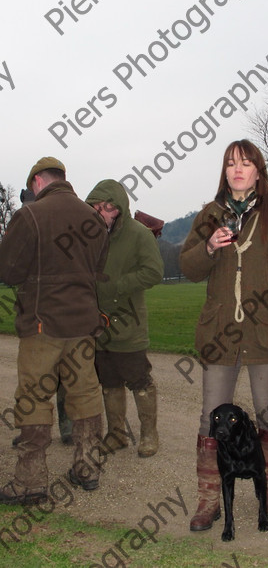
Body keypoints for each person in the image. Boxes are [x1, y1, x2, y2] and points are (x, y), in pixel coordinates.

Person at [180, 139, 268, 531]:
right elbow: (188, 267)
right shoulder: (209, 214)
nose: (237, 170)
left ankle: (267, 488)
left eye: (246, 163)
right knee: (211, 416)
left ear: (259, 171)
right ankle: (209, 500)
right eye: (231, 164)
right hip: (220, 330)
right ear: (224, 172)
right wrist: (207, 246)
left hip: (265, 330)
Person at [0, 157, 108, 504]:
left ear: (36, 182)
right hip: (83, 325)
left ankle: (30, 483)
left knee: (34, 397)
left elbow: (9, 271)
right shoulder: (92, 217)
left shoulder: (29, 215)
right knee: (85, 393)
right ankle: (87, 468)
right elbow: (98, 266)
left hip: (42, 324)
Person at [86, 180, 164, 458]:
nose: (101, 213)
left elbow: (154, 272)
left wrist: (119, 284)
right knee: (108, 382)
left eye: (108, 207)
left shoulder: (138, 234)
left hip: (129, 322)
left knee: (139, 379)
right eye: (96, 207)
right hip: (98, 324)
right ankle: (116, 434)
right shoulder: (89, 235)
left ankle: (149, 434)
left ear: (120, 209)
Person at [11, 188, 73, 447]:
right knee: (45, 377)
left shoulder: (47, 224)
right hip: (43, 311)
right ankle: (40, 430)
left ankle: (60, 428)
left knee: (53, 377)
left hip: (52, 312)